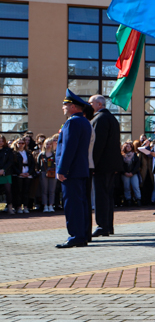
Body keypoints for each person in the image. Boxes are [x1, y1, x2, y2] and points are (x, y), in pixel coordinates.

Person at [55, 90, 93, 248]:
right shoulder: (84, 122)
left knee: (72, 204)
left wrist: (62, 169)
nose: (63, 108)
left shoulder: (72, 122)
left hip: (71, 171)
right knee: (82, 203)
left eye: (65, 105)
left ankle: (76, 236)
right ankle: (83, 235)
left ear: (73, 107)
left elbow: (68, 149)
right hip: (81, 169)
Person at [89, 95, 124, 237]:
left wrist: (92, 163)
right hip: (111, 165)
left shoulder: (100, 119)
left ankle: (102, 225)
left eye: (91, 103)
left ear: (99, 104)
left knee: (101, 196)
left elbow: (98, 144)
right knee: (107, 196)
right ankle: (108, 225)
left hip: (102, 165)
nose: (89, 105)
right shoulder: (112, 119)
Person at [37, 138, 58, 212]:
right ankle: (45, 205)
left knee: (52, 190)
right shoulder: (41, 155)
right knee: (44, 190)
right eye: (47, 144)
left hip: (53, 173)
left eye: (50, 144)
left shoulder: (54, 154)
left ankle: (51, 205)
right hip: (43, 173)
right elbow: (38, 165)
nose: (48, 146)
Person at [121, 141, 141, 206]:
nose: (128, 147)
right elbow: (120, 165)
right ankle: (128, 199)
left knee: (136, 186)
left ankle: (138, 199)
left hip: (133, 174)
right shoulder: (122, 156)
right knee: (126, 187)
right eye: (127, 146)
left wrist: (132, 172)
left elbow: (137, 165)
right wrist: (124, 172)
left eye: (130, 146)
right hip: (125, 174)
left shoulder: (134, 155)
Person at [0, 135, 13, 214]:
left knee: (8, 191)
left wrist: (3, 169)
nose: (0, 142)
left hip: (6, 173)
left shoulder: (8, 150)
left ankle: (10, 207)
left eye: (2, 141)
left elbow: (10, 161)